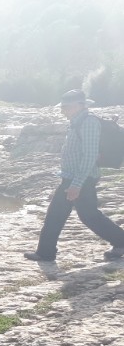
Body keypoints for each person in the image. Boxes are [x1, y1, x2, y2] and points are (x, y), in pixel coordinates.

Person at [25, 89, 124, 262]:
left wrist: (76, 184)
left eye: (67, 107)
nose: (63, 110)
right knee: (63, 214)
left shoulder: (89, 122)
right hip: (71, 176)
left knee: (86, 215)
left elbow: (90, 155)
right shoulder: (76, 121)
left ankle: (46, 252)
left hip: (81, 178)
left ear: (80, 105)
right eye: (62, 107)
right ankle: (45, 252)